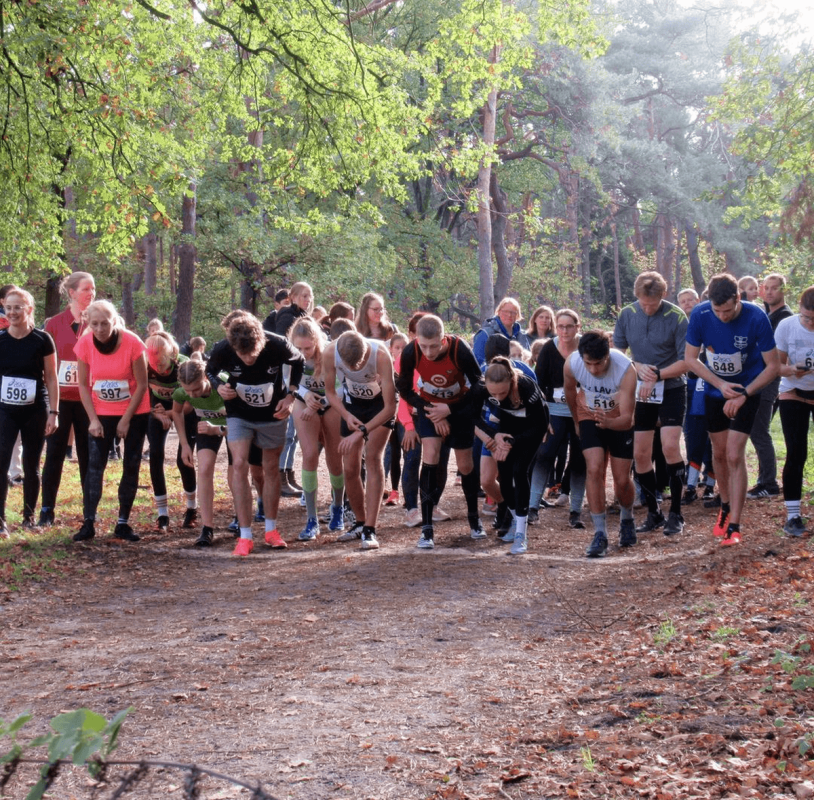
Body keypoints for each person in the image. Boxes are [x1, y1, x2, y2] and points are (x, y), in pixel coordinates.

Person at [684, 273, 780, 546]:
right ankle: (725, 506)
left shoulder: (756, 316)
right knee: (719, 454)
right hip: (716, 390)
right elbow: (690, 359)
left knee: (735, 453)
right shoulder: (701, 315)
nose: (722, 316)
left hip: (748, 389)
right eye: (717, 311)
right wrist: (718, 383)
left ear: (738, 299)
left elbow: (772, 366)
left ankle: (735, 524)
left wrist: (745, 393)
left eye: (727, 310)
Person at [206, 311, 304, 556]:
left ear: (261, 342)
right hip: (239, 414)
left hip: (273, 414)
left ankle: (271, 531)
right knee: (239, 464)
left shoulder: (278, 344)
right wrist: (221, 386)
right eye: (242, 354)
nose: (248, 359)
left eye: (253, 353)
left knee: (271, 468)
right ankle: (245, 535)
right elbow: (211, 370)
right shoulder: (223, 348)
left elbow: (299, 361)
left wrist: (291, 394)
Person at [396, 314, 486, 548]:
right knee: (430, 456)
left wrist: (450, 409)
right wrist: (431, 410)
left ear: (443, 338)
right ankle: (427, 529)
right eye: (423, 346)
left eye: (433, 346)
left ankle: (474, 520)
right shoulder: (410, 352)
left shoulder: (459, 349)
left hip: (460, 408)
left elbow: (480, 385)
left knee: (465, 465)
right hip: (429, 408)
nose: (428, 352)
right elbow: (404, 389)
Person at [613, 271, 689, 536]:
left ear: (663, 295)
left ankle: (676, 513)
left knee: (669, 448)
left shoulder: (677, 316)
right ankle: (654, 511)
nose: (647, 308)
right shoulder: (626, 314)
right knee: (641, 454)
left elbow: (686, 361)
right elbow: (618, 355)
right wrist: (638, 366)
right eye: (643, 303)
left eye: (652, 304)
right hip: (641, 390)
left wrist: (657, 373)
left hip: (671, 387)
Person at [73, 300, 150, 542]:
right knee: (95, 465)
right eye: (94, 324)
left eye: (104, 323)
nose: (100, 329)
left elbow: (143, 385)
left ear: (114, 321)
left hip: (135, 409)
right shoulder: (85, 343)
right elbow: (83, 385)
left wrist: (126, 420)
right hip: (101, 409)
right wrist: (93, 419)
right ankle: (88, 522)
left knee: (131, 463)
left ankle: (123, 522)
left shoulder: (132, 343)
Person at [564, 330, 637, 558]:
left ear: (609, 355)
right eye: (589, 364)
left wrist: (609, 422)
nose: (594, 370)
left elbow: (628, 419)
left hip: (618, 419)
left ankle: (627, 518)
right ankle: (600, 533)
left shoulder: (626, 369)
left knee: (622, 479)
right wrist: (577, 420)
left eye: (599, 363)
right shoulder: (572, 363)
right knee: (594, 468)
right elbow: (569, 390)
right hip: (589, 414)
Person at [323, 330, 397, 550]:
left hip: (379, 407)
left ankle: (370, 529)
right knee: (350, 467)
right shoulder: (330, 352)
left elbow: (390, 407)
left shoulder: (381, 355)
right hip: (353, 405)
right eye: (350, 367)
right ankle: (359, 522)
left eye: (360, 364)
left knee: (373, 458)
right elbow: (329, 392)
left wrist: (361, 431)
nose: (355, 369)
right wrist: (346, 416)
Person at [0, 287, 59, 536]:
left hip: (35, 409)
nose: (12, 312)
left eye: (18, 307)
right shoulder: (0, 339)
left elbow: (52, 379)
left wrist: (54, 412)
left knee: (31, 463)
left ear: (29, 309)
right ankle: (0, 520)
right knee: (1, 463)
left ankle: (28, 517)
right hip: (5, 410)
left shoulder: (42, 339)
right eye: (8, 307)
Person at [39, 271, 96, 527]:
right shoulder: (53, 324)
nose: (91, 293)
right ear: (71, 292)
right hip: (59, 400)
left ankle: (89, 513)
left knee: (87, 455)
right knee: (54, 455)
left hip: (88, 401)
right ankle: (46, 510)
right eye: (86, 289)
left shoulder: (99, 322)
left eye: (93, 289)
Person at [476, 357, 547, 555]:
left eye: (503, 392)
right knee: (504, 475)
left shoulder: (526, 386)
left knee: (519, 471)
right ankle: (516, 521)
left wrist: (513, 441)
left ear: (512, 382)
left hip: (530, 430)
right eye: (493, 394)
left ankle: (521, 534)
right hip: (506, 428)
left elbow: (540, 424)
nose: (498, 398)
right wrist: (494, 436)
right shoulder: (480, 387)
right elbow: (471, 415)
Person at [288, 317, 346, 540]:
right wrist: (305, 396)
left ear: (317, 342)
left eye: (308, 347)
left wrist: (321, 403)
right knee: (310, 454)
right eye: (299, 348)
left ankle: (338, 506)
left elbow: (342, 388)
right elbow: (288, 384)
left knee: (334, 456)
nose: (303, 353)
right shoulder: (290, 355)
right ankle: (311, 519)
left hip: (331, 401)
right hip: (305, 401)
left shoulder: (331, 353)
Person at [530, 309, 587, 529]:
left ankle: (576, 511)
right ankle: (532, 507)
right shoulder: (548, 349)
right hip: (554, 410)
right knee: (545, 454)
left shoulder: (585, 346)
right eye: (560, 326)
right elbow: (538, 384)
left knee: (580, 459)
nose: (564, 330)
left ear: (577, 327)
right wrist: (543, 419)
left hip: (582, 411)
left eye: (569, 326)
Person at [771, 286, 814, 537]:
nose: (810, 323)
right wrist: (793, 369)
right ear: (799, 309)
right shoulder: (787, 326)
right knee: (796, 452)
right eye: (807, 317)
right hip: (793, 391)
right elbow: (777, 365)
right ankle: (793, 516)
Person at [145, 331, 197, 532]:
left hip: (184, 408)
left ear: (171, 354)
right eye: (153, 363)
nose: (158, 367)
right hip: (157, 409)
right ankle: (162, 514)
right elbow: (140, 393)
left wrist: (167, 412)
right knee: (156, 454)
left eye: (161, 363)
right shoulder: (145, 364)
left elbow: (188, 407)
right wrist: (156, 413)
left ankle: (192, 509)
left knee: (183, 459)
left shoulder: (183, 365)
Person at [172, 359, 228, 547]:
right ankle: (207, 527)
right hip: (207, 426)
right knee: (204, 470)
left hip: (232, 426)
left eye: (196, 390)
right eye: (187, 390)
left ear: (206, 377)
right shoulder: (182, 392)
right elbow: (177, 412)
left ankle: (240, 519)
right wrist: (185, 444)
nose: (191, 394)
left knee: (236, 469)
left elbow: (242, 417)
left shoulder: (223, 384)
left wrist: (218, 428)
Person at [746, 273, 793, 498]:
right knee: (757, 430)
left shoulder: (785, 317)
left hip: (770, 380)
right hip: (758, 378)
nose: (771, 292)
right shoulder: (766, 313)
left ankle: (769, 484)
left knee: (759, 430)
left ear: (784, 290)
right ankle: (764, 479)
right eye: (768, 288)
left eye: (776, 288)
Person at [271, 282, 313, 497]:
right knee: (288, 432)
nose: (308, 299)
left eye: (310, 296)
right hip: (284, 379)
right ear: (293, 297)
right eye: (304, 296)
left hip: (294, 378)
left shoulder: (303, 316)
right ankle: (280, 476)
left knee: (293, 433)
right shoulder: (288, 316)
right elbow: (282, 349)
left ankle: (287, 472)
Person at [677, 288, 716, 504]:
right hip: (693, 390)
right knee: (693, 440)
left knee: (713, 443)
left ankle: (710, 485)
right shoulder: (688, 325)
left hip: (715, 390)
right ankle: (690, 486)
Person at [472, 297, 530, 369]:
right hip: (493, 377)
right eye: (505, 311)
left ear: (517, 315)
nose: (509, 315)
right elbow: (476, 364)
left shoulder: (522, 336)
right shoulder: (485, 334)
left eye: (513, 312)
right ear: (498, 312)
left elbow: (528, 360)